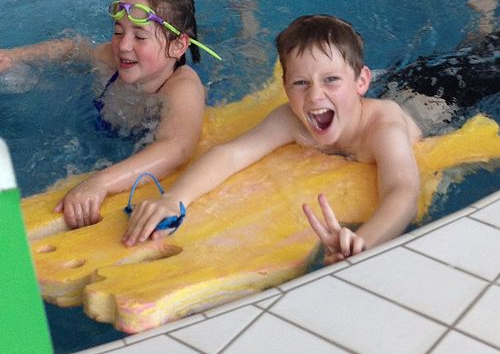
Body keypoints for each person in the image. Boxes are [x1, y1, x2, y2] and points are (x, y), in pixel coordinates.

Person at [122, 14, 423, 265]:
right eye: (300, 83)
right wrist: (174, 199)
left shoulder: (383, 127)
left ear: (361, 81)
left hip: (433, 98)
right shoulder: (292, 120)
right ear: (285, 87)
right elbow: (232, 154)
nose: (314, 95)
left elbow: (402, 191)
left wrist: (362, 244)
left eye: (331, 80)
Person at [0, 0, 220, 230]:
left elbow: (177, 148)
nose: (123, 46)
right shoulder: (109, 61)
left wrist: (101, 182)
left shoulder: (181, 88)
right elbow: (73, 48)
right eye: (118, 32)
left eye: (140, 36)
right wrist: (13, 56)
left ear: (178, 45)